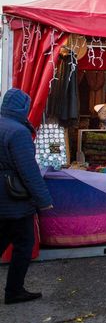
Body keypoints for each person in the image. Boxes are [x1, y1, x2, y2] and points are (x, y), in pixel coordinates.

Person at [0, 89, 53, 304]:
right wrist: (44, 200)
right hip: (14, 198)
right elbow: (28, 170)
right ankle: (14, 291)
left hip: (4, 196)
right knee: (24, 243)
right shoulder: (18, 132)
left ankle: (15, 290)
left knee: (4, 237)